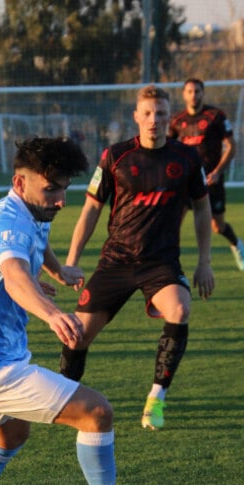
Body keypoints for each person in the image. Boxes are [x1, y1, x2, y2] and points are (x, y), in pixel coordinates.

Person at [0, 136, 157, 485]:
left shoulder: (28, 213)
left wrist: (58, 271)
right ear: (20, 183)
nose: (60, 200)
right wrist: (53, 314)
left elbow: (38, 244)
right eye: (51, 188)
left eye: (64, 189)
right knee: (97, 412)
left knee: (10, 436)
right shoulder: (7, 223)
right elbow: (16, 278)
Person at [60, 84, 215, 432]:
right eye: (147, 113)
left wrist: (204, 261)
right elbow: (90, 212)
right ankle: (62, 398)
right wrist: (71, 261)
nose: (153, 120)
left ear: (169, 117)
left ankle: (156, 398)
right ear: (136, 117)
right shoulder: (115, 156)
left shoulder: (187, 159)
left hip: (161, 264)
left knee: (179, 308)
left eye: (161, 114)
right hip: (116, 261)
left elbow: (203, 209)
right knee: (76, 337)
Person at [169, 78, 244, 271]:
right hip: (187, 181)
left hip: (212, 181)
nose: (193, 95)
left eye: (197, 91)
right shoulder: (177, 121)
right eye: (189, 91)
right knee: (173, 224)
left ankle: (236, 244)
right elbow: (167, 149)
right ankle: (169, 266)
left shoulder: (216, 116)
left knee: (218, 227)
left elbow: (231, 146)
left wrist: (217, 172)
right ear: (184, 94)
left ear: (203, 93)